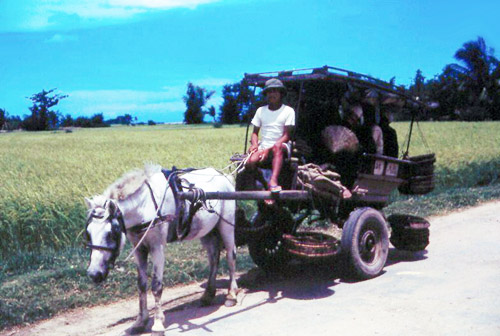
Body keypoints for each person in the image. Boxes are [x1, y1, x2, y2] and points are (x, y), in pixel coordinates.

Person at [246, 78, 295, 194]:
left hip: (282, 145)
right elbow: (254, 133)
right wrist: (254, 144)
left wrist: (269, 149)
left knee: (277, 146)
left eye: (275, 91)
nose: (272, 94)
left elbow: (287, 135)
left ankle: (273, 181)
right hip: (264, 145)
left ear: (281, 94)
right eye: (269, 91)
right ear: (266, 94)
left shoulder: (288, 111)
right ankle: (265, 183)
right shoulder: (260, 111)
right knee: (250, 162)